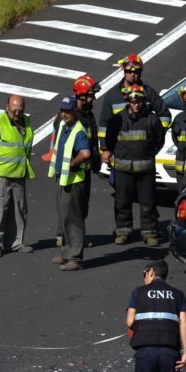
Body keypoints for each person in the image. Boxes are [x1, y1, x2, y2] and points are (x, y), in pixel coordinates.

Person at [104, 84, 165, 246]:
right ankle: (123, 231)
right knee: (122, 202)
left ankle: (150, 233)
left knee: (148, 203)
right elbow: (109, 141)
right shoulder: (117, 120)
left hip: (145, 171)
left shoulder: (152, 120)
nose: (136, 104)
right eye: (133, 101)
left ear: (144, 101)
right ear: (127, 101)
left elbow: (159, 141)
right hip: (123, 171)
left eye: (139, 101)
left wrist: (148, 154)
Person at [0, 94, 35, 257]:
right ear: (7, 107)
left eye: (20, 109)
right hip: (0, 175)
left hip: (19, 174)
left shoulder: (26, 121)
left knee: (18, 210)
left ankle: (15, 243)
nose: (17, 113)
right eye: (14, 110)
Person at [54, 74, 102, 248]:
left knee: (81, 207)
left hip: (84, 170)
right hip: (73, 170)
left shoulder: (87, 115)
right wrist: (72, 163)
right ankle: (68, 239)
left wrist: (96, 161)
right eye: (90, 95)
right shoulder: (72, 118)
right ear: (81, 96)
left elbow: (92, 139)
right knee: (70, 207)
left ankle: (75, 238)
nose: (93, 98)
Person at [98, 54, 172, 157]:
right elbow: (104, 125)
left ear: (140, 72)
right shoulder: (112, 95)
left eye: (136, 72)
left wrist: (155, 135)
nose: (133, 74)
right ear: (124, 71)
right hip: (120, 149)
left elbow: (165, 116)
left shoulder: (149, 93)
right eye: (129, 71)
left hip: (143, 149)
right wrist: (105, 149)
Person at [49, 95, 91, 271]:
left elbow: (85, 153)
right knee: (64, 217)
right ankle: (66, 253)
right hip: (63, 178)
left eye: (68, 111)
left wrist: (72, 164)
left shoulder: (78, 130)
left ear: (75, 110)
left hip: (74, 181)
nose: (65, 114)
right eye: (63, 110)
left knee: (73, 219)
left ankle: (75, 257)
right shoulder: (62, 126)